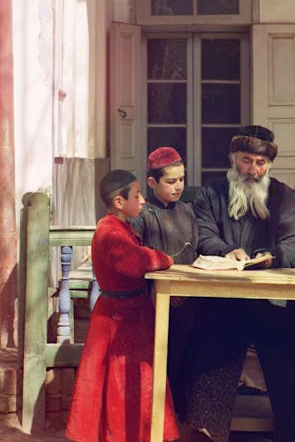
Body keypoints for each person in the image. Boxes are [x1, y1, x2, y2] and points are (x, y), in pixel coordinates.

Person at [181, 125, 295, 442]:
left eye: (260, 164)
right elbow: (203, 237)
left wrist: (272, 257)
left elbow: (291, 243)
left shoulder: (283, 196)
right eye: (246, 161)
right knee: (209, 347)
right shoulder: (211, 194)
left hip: (272, 299)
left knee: (292, 349)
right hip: (223, 299)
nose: (253, 170)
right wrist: (224, 251)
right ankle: (206, 433)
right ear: (233, 159)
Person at [66, 169, 179, 442]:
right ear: (119, 201)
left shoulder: (117, 227)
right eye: (137, 195)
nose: (142, 201)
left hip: (127, 315)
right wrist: (165, 258)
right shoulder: (110, 232)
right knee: (121, 384)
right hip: (120, 320)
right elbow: (139, 262)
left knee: (128, 382)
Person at [129, 146, 199, 417]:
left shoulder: (188, 212)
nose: (178, 186)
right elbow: (136, 259)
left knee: (185, 364)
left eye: (182, 179)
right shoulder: (142, 216)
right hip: (154, 304)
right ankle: (156, 423)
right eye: (171, 181)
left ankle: (179, 422)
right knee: (159, 367)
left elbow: (197, 251)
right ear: (151, 182)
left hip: (190, 303)